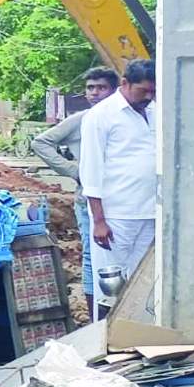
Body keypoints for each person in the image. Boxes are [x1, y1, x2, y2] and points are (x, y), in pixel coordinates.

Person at [30, 67, 118, 307]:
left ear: (114, 90)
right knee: (92, 254)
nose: (95, 93)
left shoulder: (121, 118)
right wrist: (73, 170)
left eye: (101, 88)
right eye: (91, 88)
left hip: (121, 196)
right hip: (87, 198)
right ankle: (96, 313)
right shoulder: (82, 119)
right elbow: (41, 142)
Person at [79, 58, 157, 312]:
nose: (148, 96)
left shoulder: (154, 110)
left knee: (142, 286)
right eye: (143, 90)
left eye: (153, 91)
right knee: (111, 286)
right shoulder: (100, 116)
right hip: (115, 217)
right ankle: (105, 344)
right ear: (124, 83)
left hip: (149, 212)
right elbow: (90, 170)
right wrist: (99, 220)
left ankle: (134, 343)